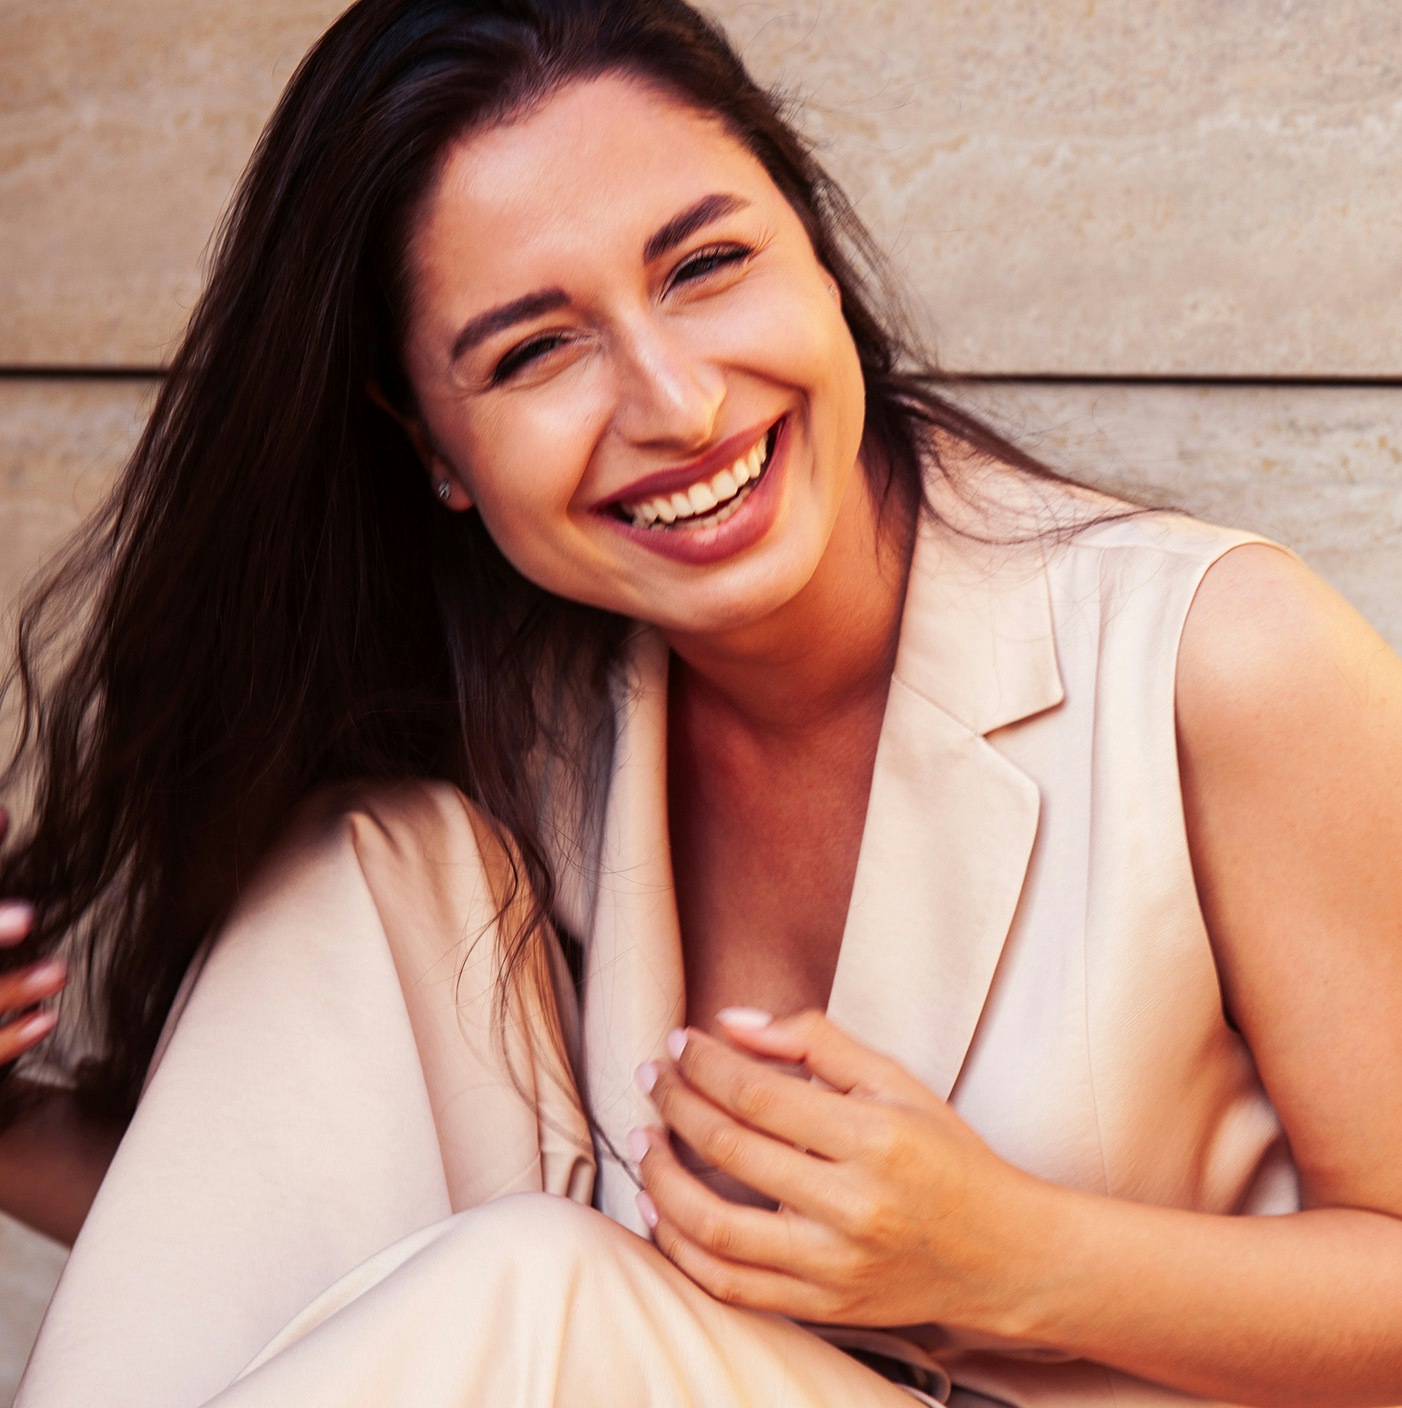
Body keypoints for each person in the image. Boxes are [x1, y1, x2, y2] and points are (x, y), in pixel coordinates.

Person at [3, 0, 1401, 1404]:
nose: (674, 402)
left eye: (706, 264)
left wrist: (1005, 1256)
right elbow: (287, 1273)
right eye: (534, 351)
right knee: (370, 861)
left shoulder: (1214, 656)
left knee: (533, 1283)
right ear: (429, 443)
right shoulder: (508, 722)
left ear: (813, 242)